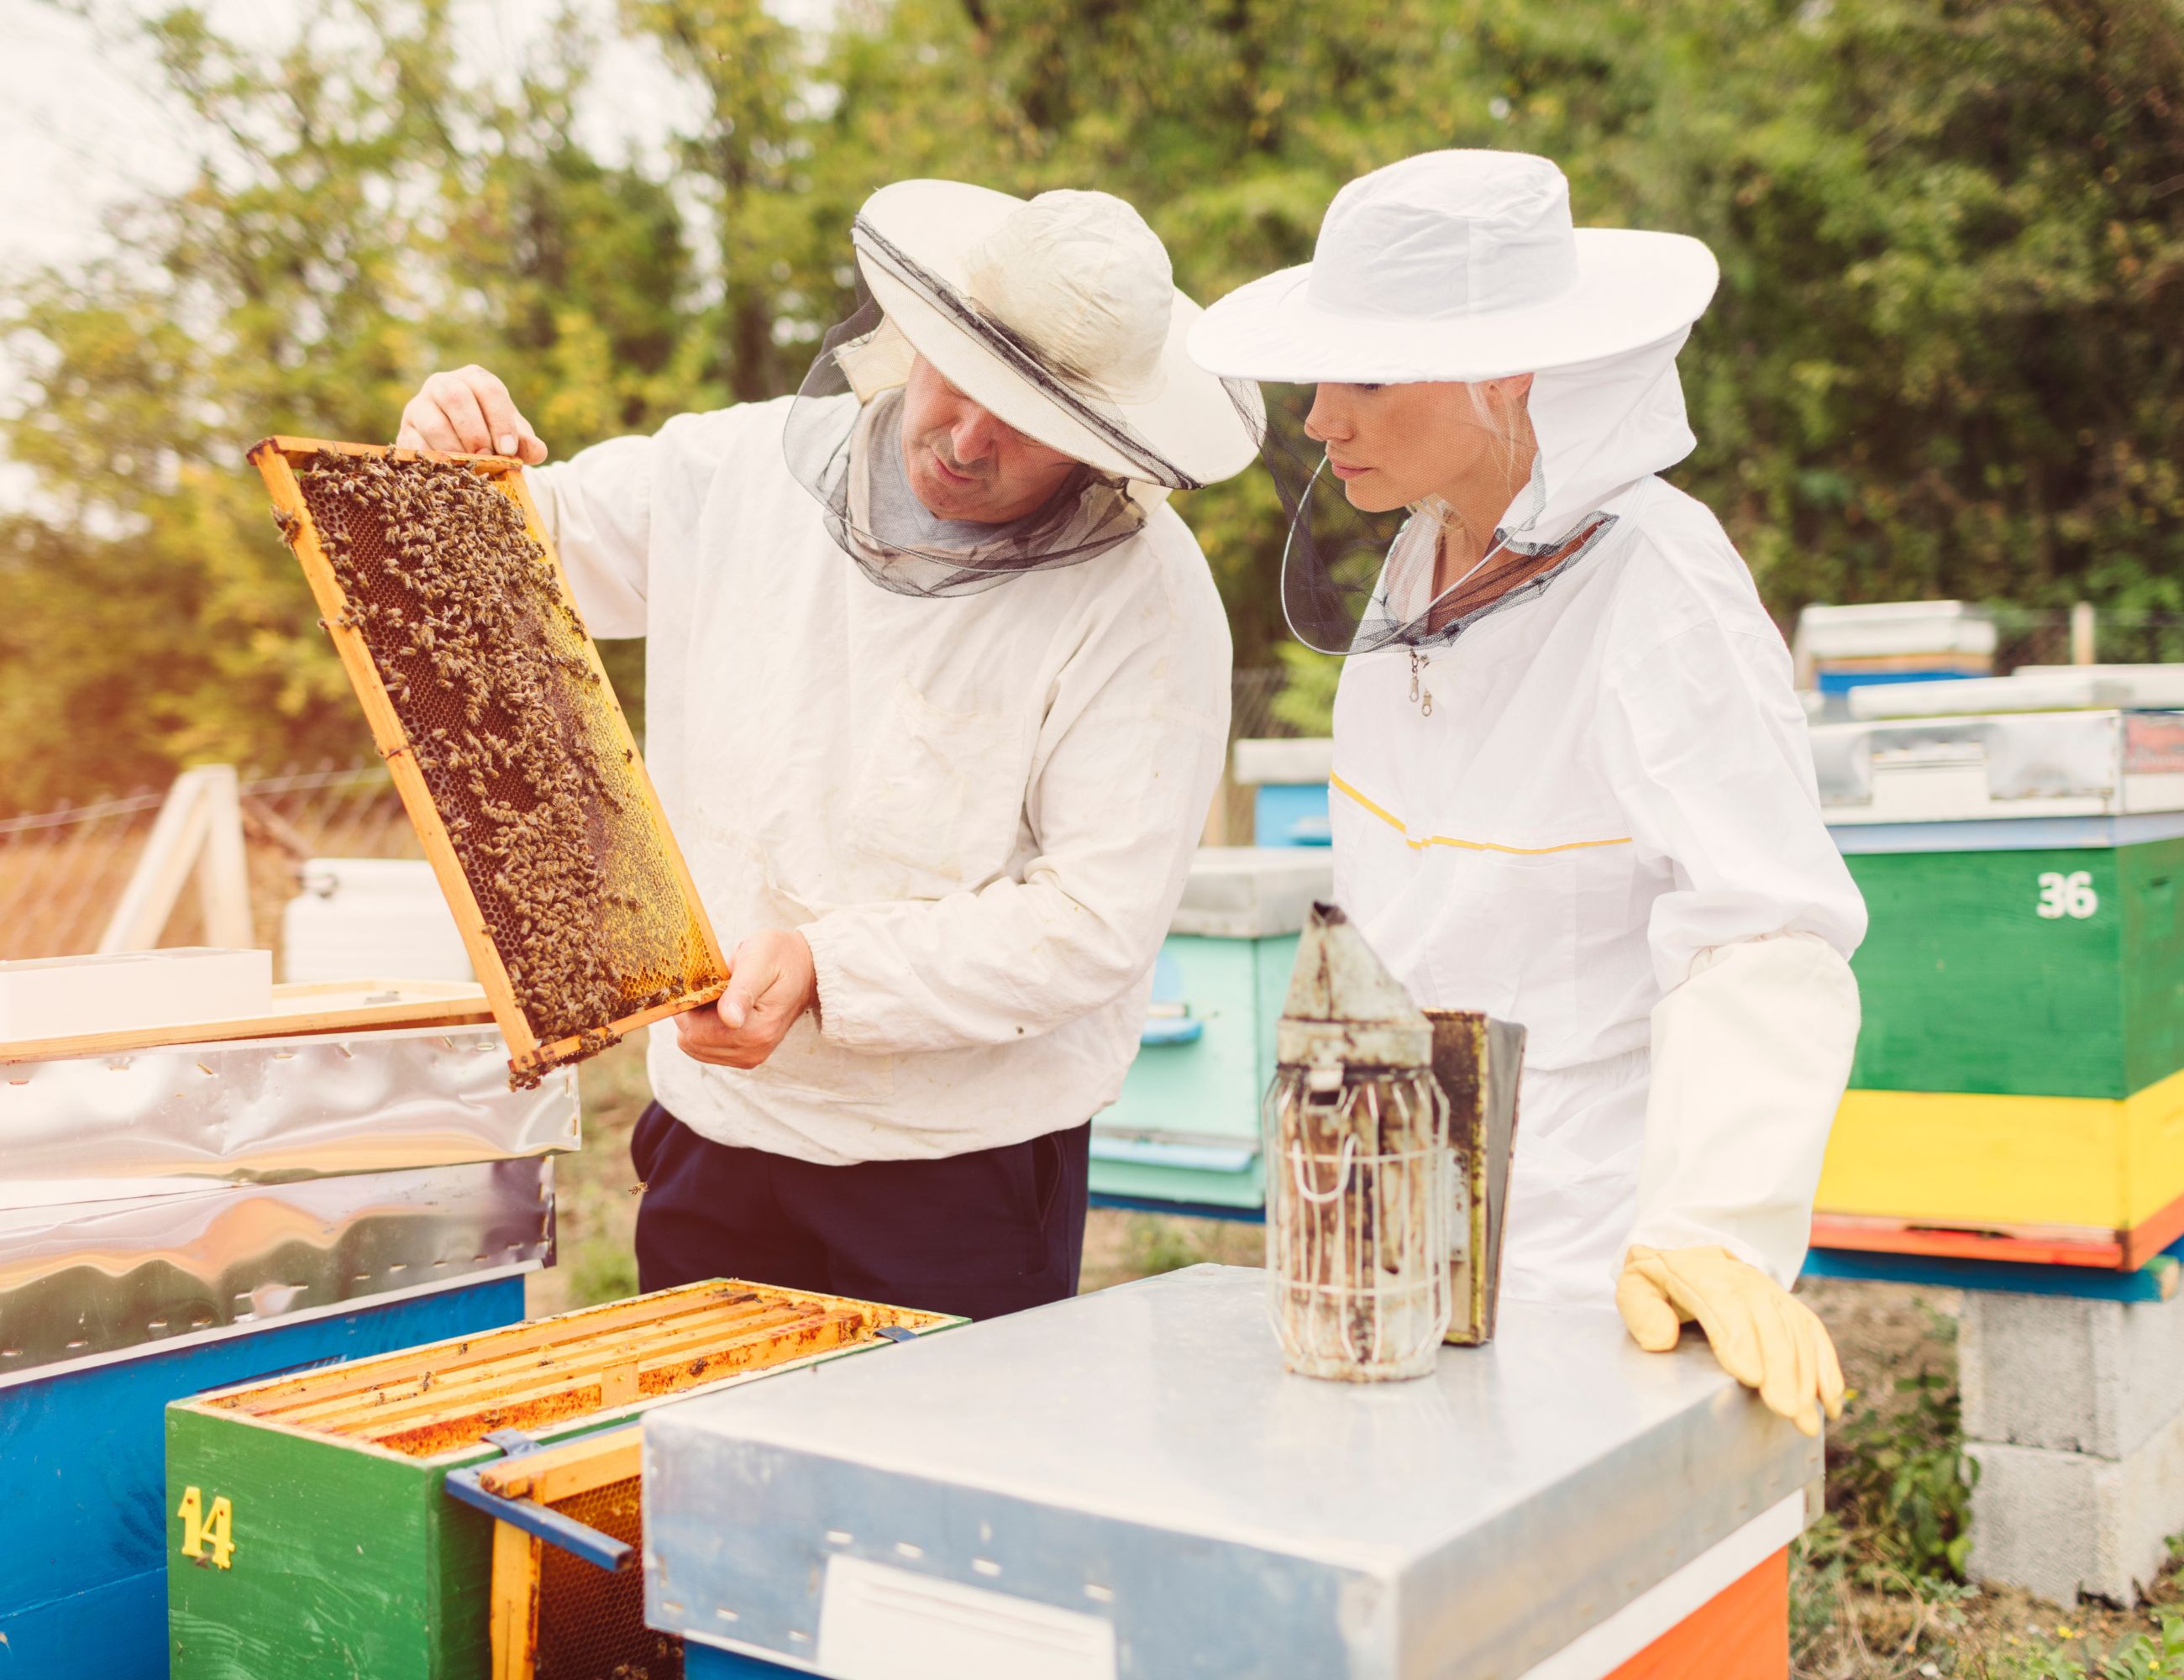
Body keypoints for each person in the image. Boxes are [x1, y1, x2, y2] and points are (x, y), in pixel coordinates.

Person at [396, 181, 1262, 1320]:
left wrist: (828, 971)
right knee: (706, 1480)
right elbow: (496, 546)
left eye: (1028, 421)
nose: (967, 437)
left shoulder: (1146, 604)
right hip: (717, 1137)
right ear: (918, 335)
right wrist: (446, 449)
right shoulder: (729, 474)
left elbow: (1093, 918)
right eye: (962, 378)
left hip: (962, 1174)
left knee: (935, 1499)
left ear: (1102, 442)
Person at [1189, 150, 1865, 1435]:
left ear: (1508, 370)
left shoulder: (1662, 585)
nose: (1323, 417)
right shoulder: (1417, 557)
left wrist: (1711, 1226)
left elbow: (1763, 928)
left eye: (1370, 375)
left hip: (1591, 1244)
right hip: (1396, 1205)